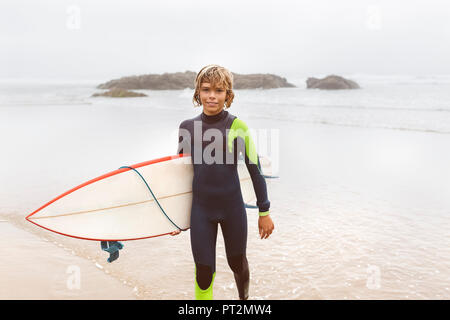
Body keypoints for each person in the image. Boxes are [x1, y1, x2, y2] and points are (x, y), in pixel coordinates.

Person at [172, 64, 274, 300]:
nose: (212, 96)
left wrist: (264, 211)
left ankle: (244, 300)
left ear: (228, 95)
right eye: (206, 89)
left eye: (219, 90)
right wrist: (173, 215)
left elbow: (255, 170)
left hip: (232, 209)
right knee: (204, 271)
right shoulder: (187, 128)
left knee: (237, 263)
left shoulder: (238, 127)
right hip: (200, 210)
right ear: (198, 92)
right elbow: (181, 175)